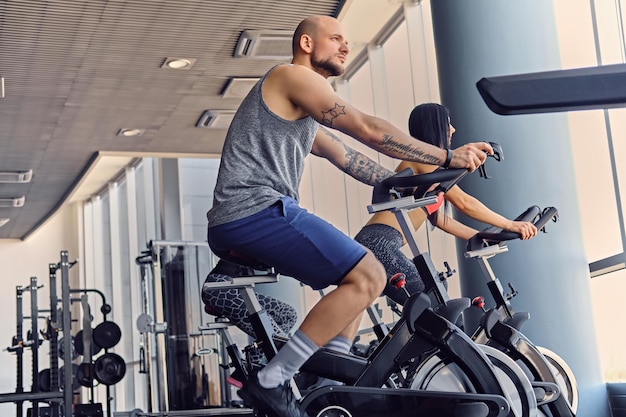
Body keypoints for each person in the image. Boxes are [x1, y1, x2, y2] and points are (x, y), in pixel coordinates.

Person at [205, 15, 492, 417]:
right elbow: (367, 129)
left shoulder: (299, 112)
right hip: (255, 209)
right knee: (370, 275)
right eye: (336, 38)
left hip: (243, 217)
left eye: (346, 41)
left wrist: (420, 183)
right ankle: (271, 381)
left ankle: (328, 373)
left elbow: (349, 158)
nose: (345, 46)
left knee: (359, 281)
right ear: (306, 43)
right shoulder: (292, 77)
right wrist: (445, 155)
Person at [354, 102, 538, 306]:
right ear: (433, 127)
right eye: (447, 123)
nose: (453, 129)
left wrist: (482, 238)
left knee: (434, 303)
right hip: (379, 244)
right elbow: (465, 202)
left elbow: (442, 221)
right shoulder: (421, 159)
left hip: (380, 244)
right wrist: (510, 225)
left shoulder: (430, 170)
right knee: (434, 302)